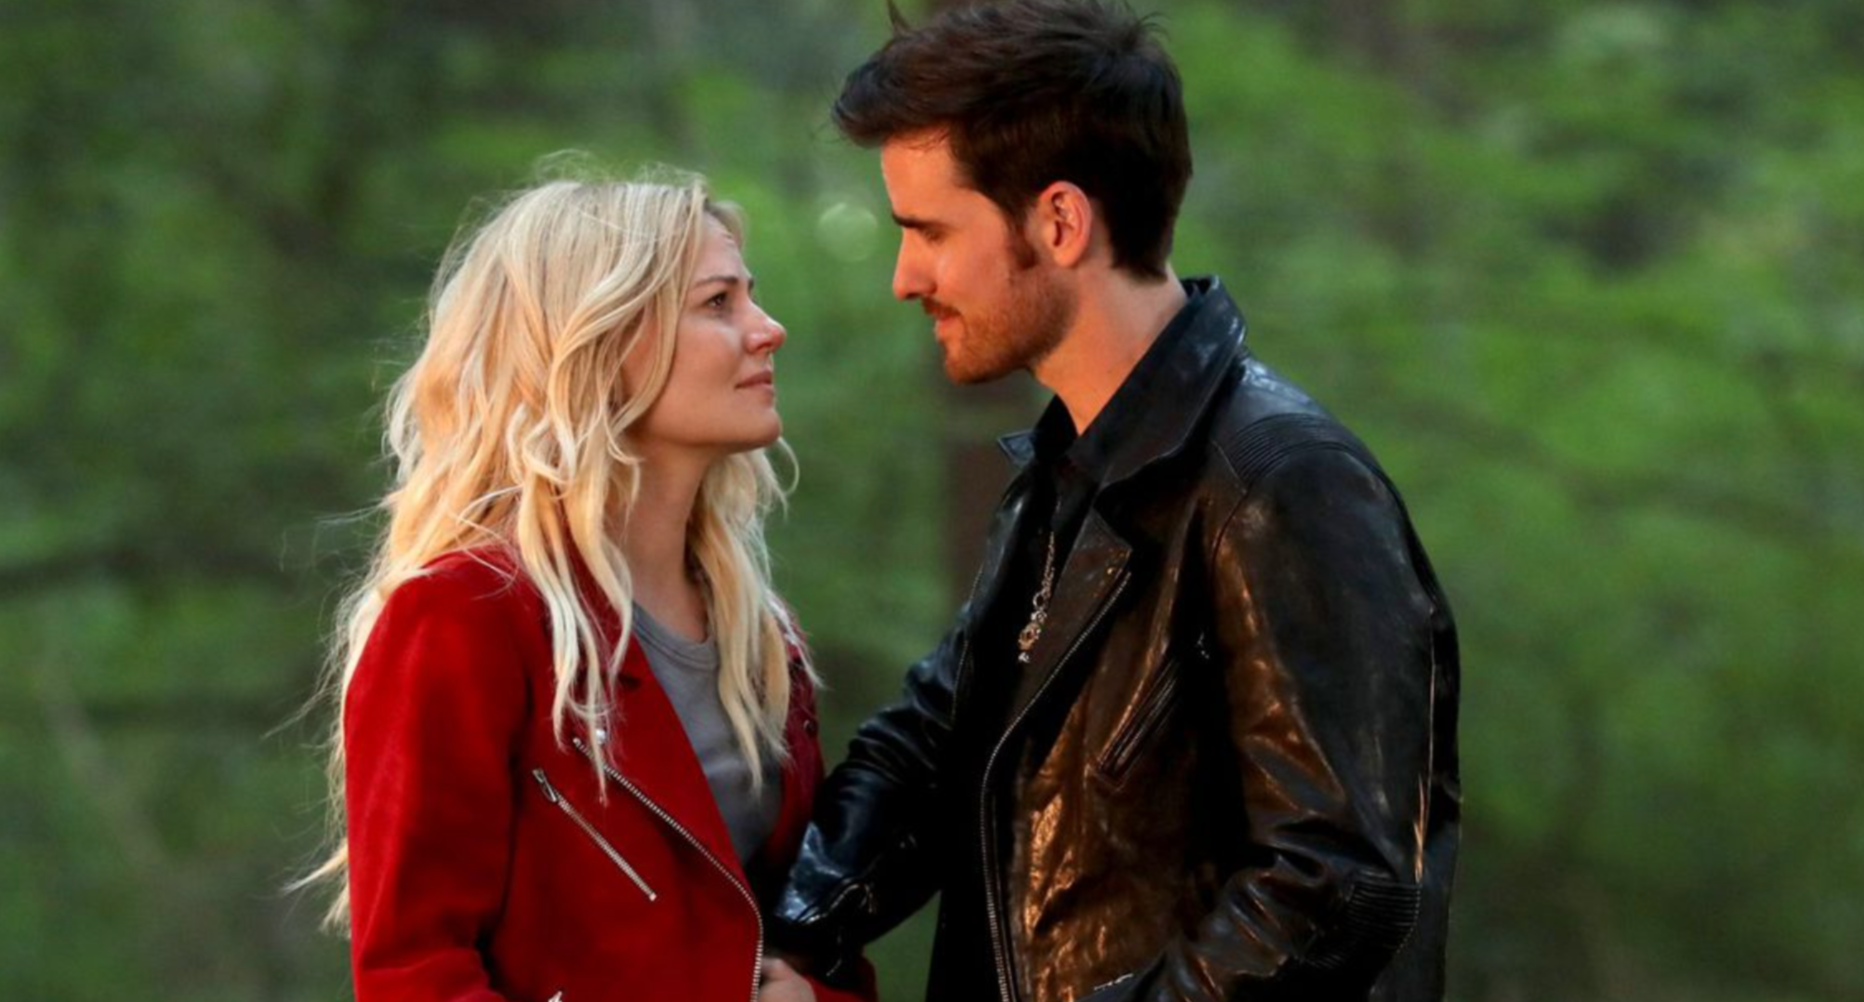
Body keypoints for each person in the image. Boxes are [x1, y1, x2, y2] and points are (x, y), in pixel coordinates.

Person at [771, 3, 1461, 1001]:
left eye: (929, 231)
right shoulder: (1066, 476)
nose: (904, 277)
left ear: (1059, 222)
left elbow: (1330, 888)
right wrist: (777, 940)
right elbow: (937, 745)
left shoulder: (1280, 483)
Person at [300, 168, 872, 1002]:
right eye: (719, 303)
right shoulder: (461, 615)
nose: (768, 329)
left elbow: (806, 934)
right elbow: (415, 973)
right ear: (600, 343)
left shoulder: (760, 631)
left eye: (751, 297)